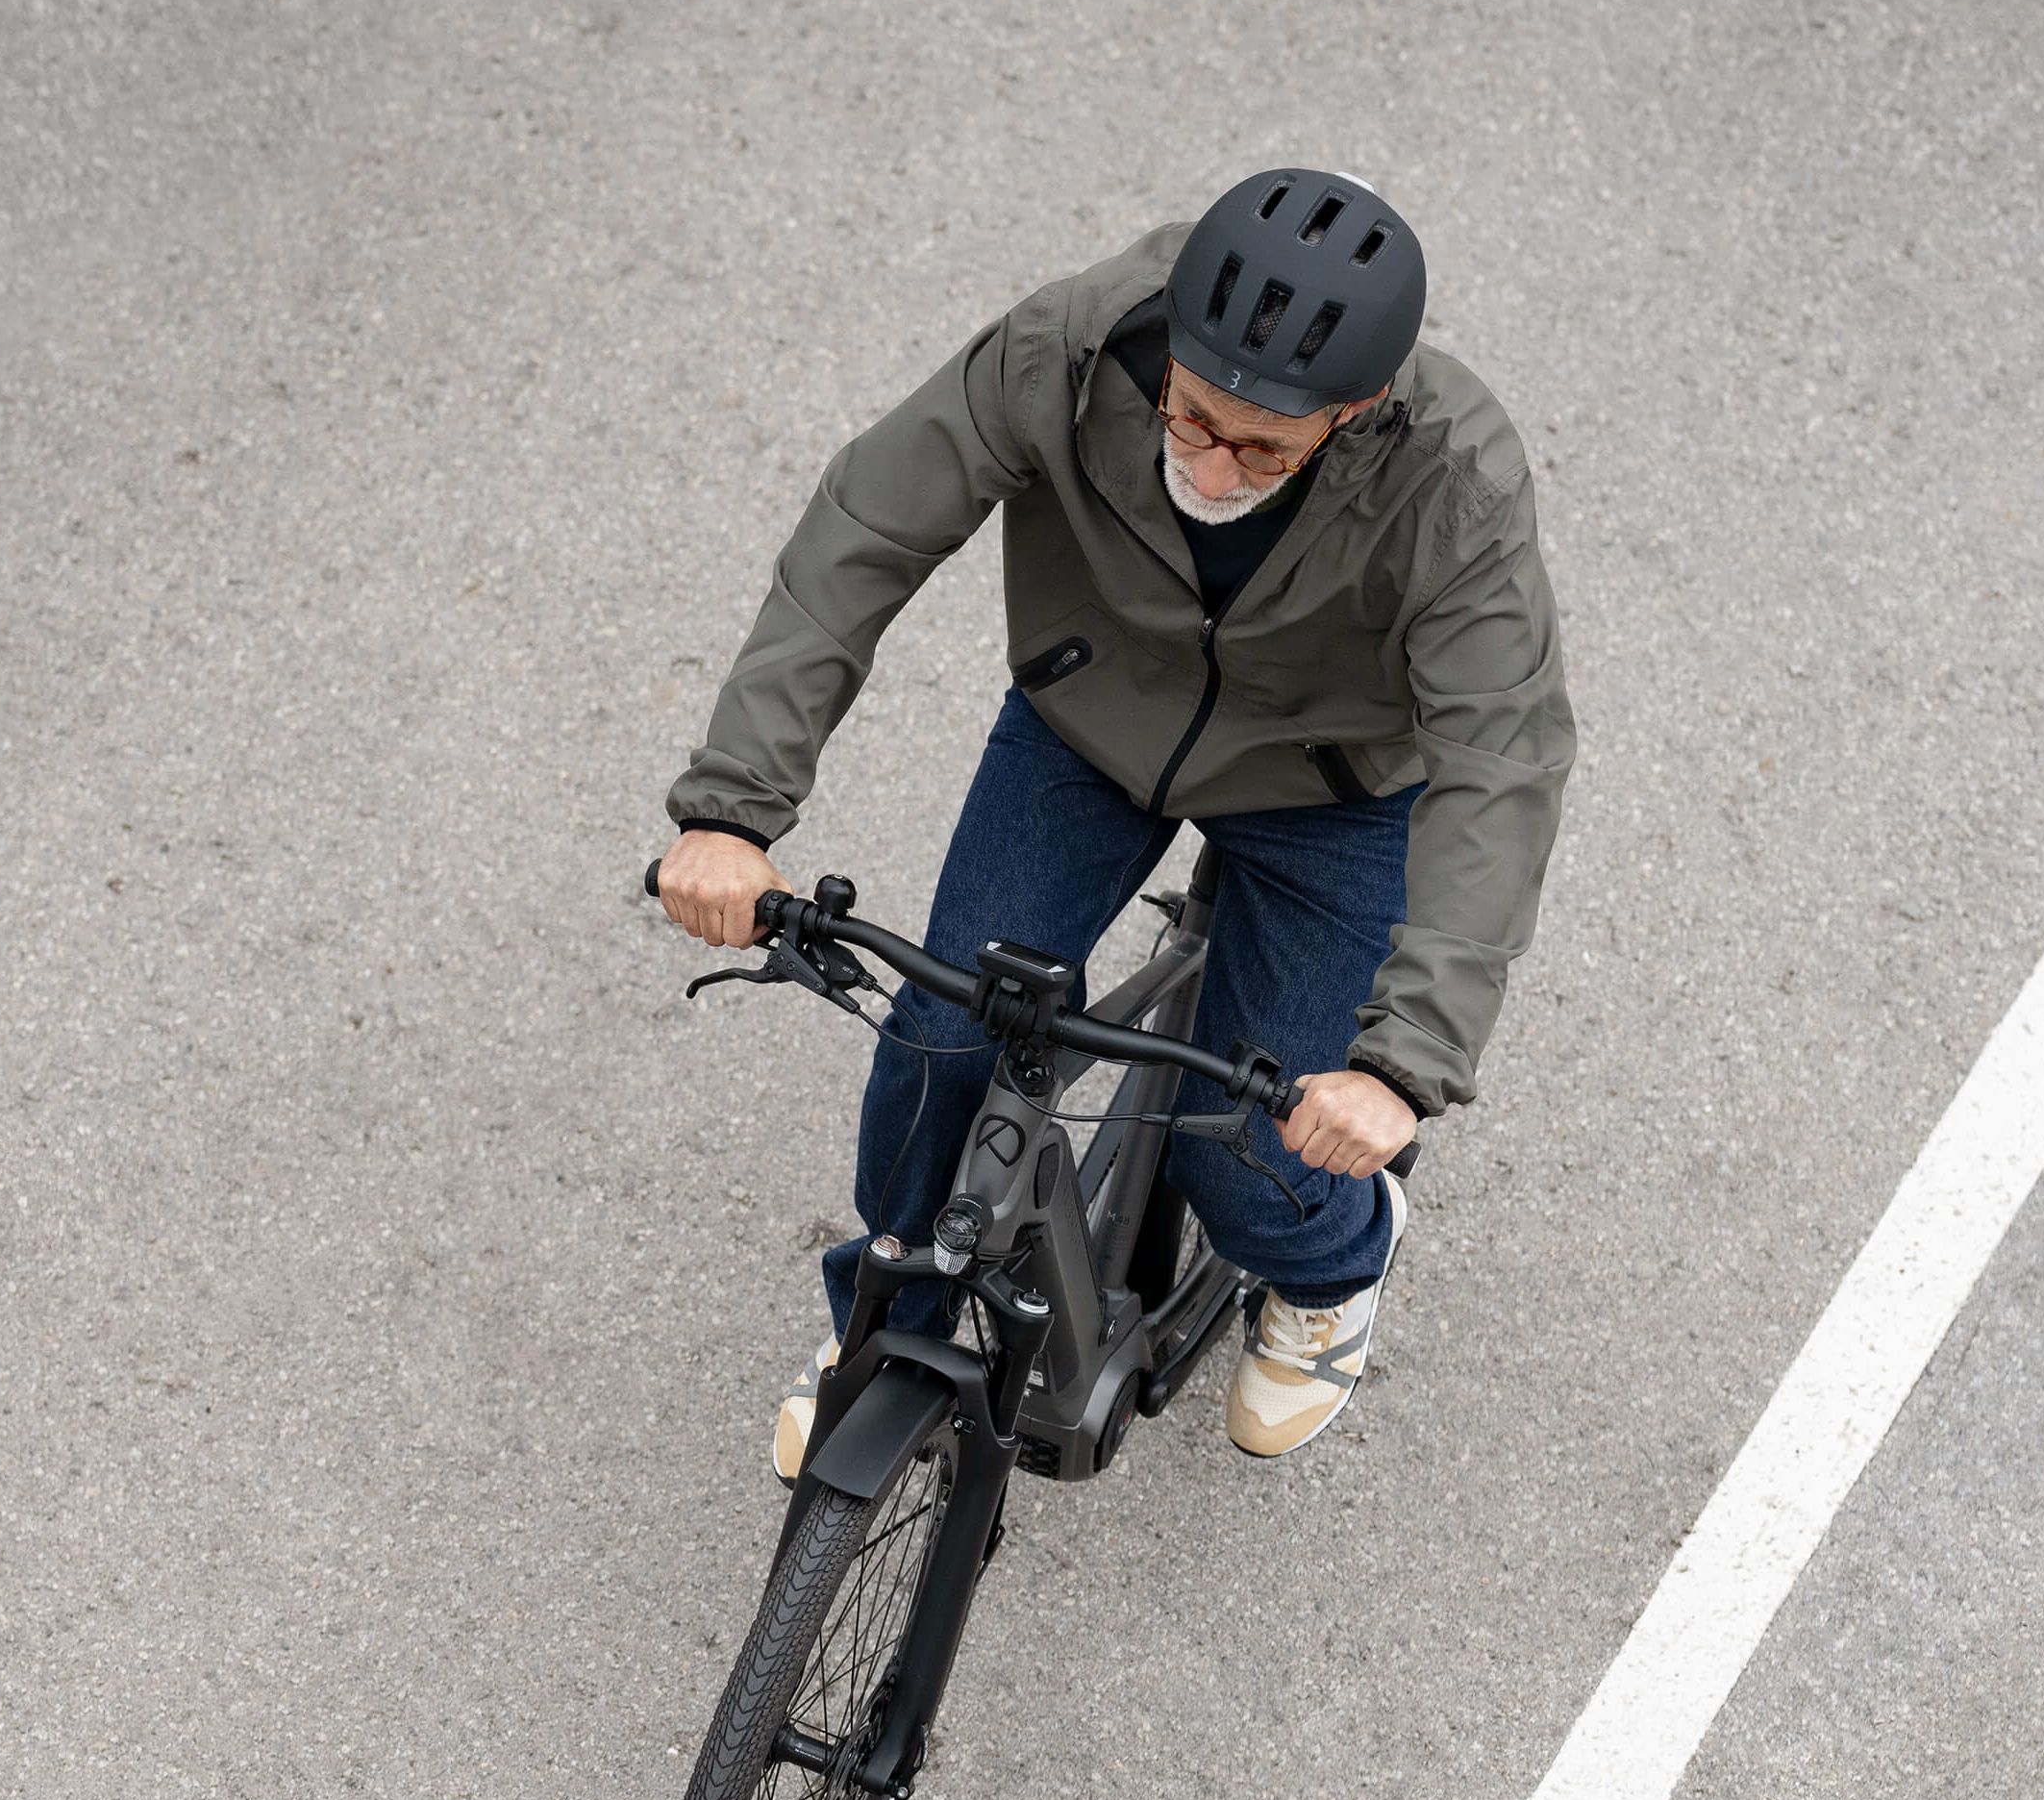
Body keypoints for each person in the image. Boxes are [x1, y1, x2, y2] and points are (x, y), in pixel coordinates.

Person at [654, 168, 1575, 1469]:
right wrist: (732, 810)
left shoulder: (1453, 479)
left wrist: (1400, 1067)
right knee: (943, 1034)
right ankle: (890, 1308)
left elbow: (1504, 757)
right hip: (1094, 723)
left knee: (1261, 1163)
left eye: (1263, 448)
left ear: (1356, 410)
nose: (1210, 465)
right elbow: (867, 526)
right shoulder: (1072, 344)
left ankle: (1333, 1276)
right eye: (1190, 419)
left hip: (1334, 791)